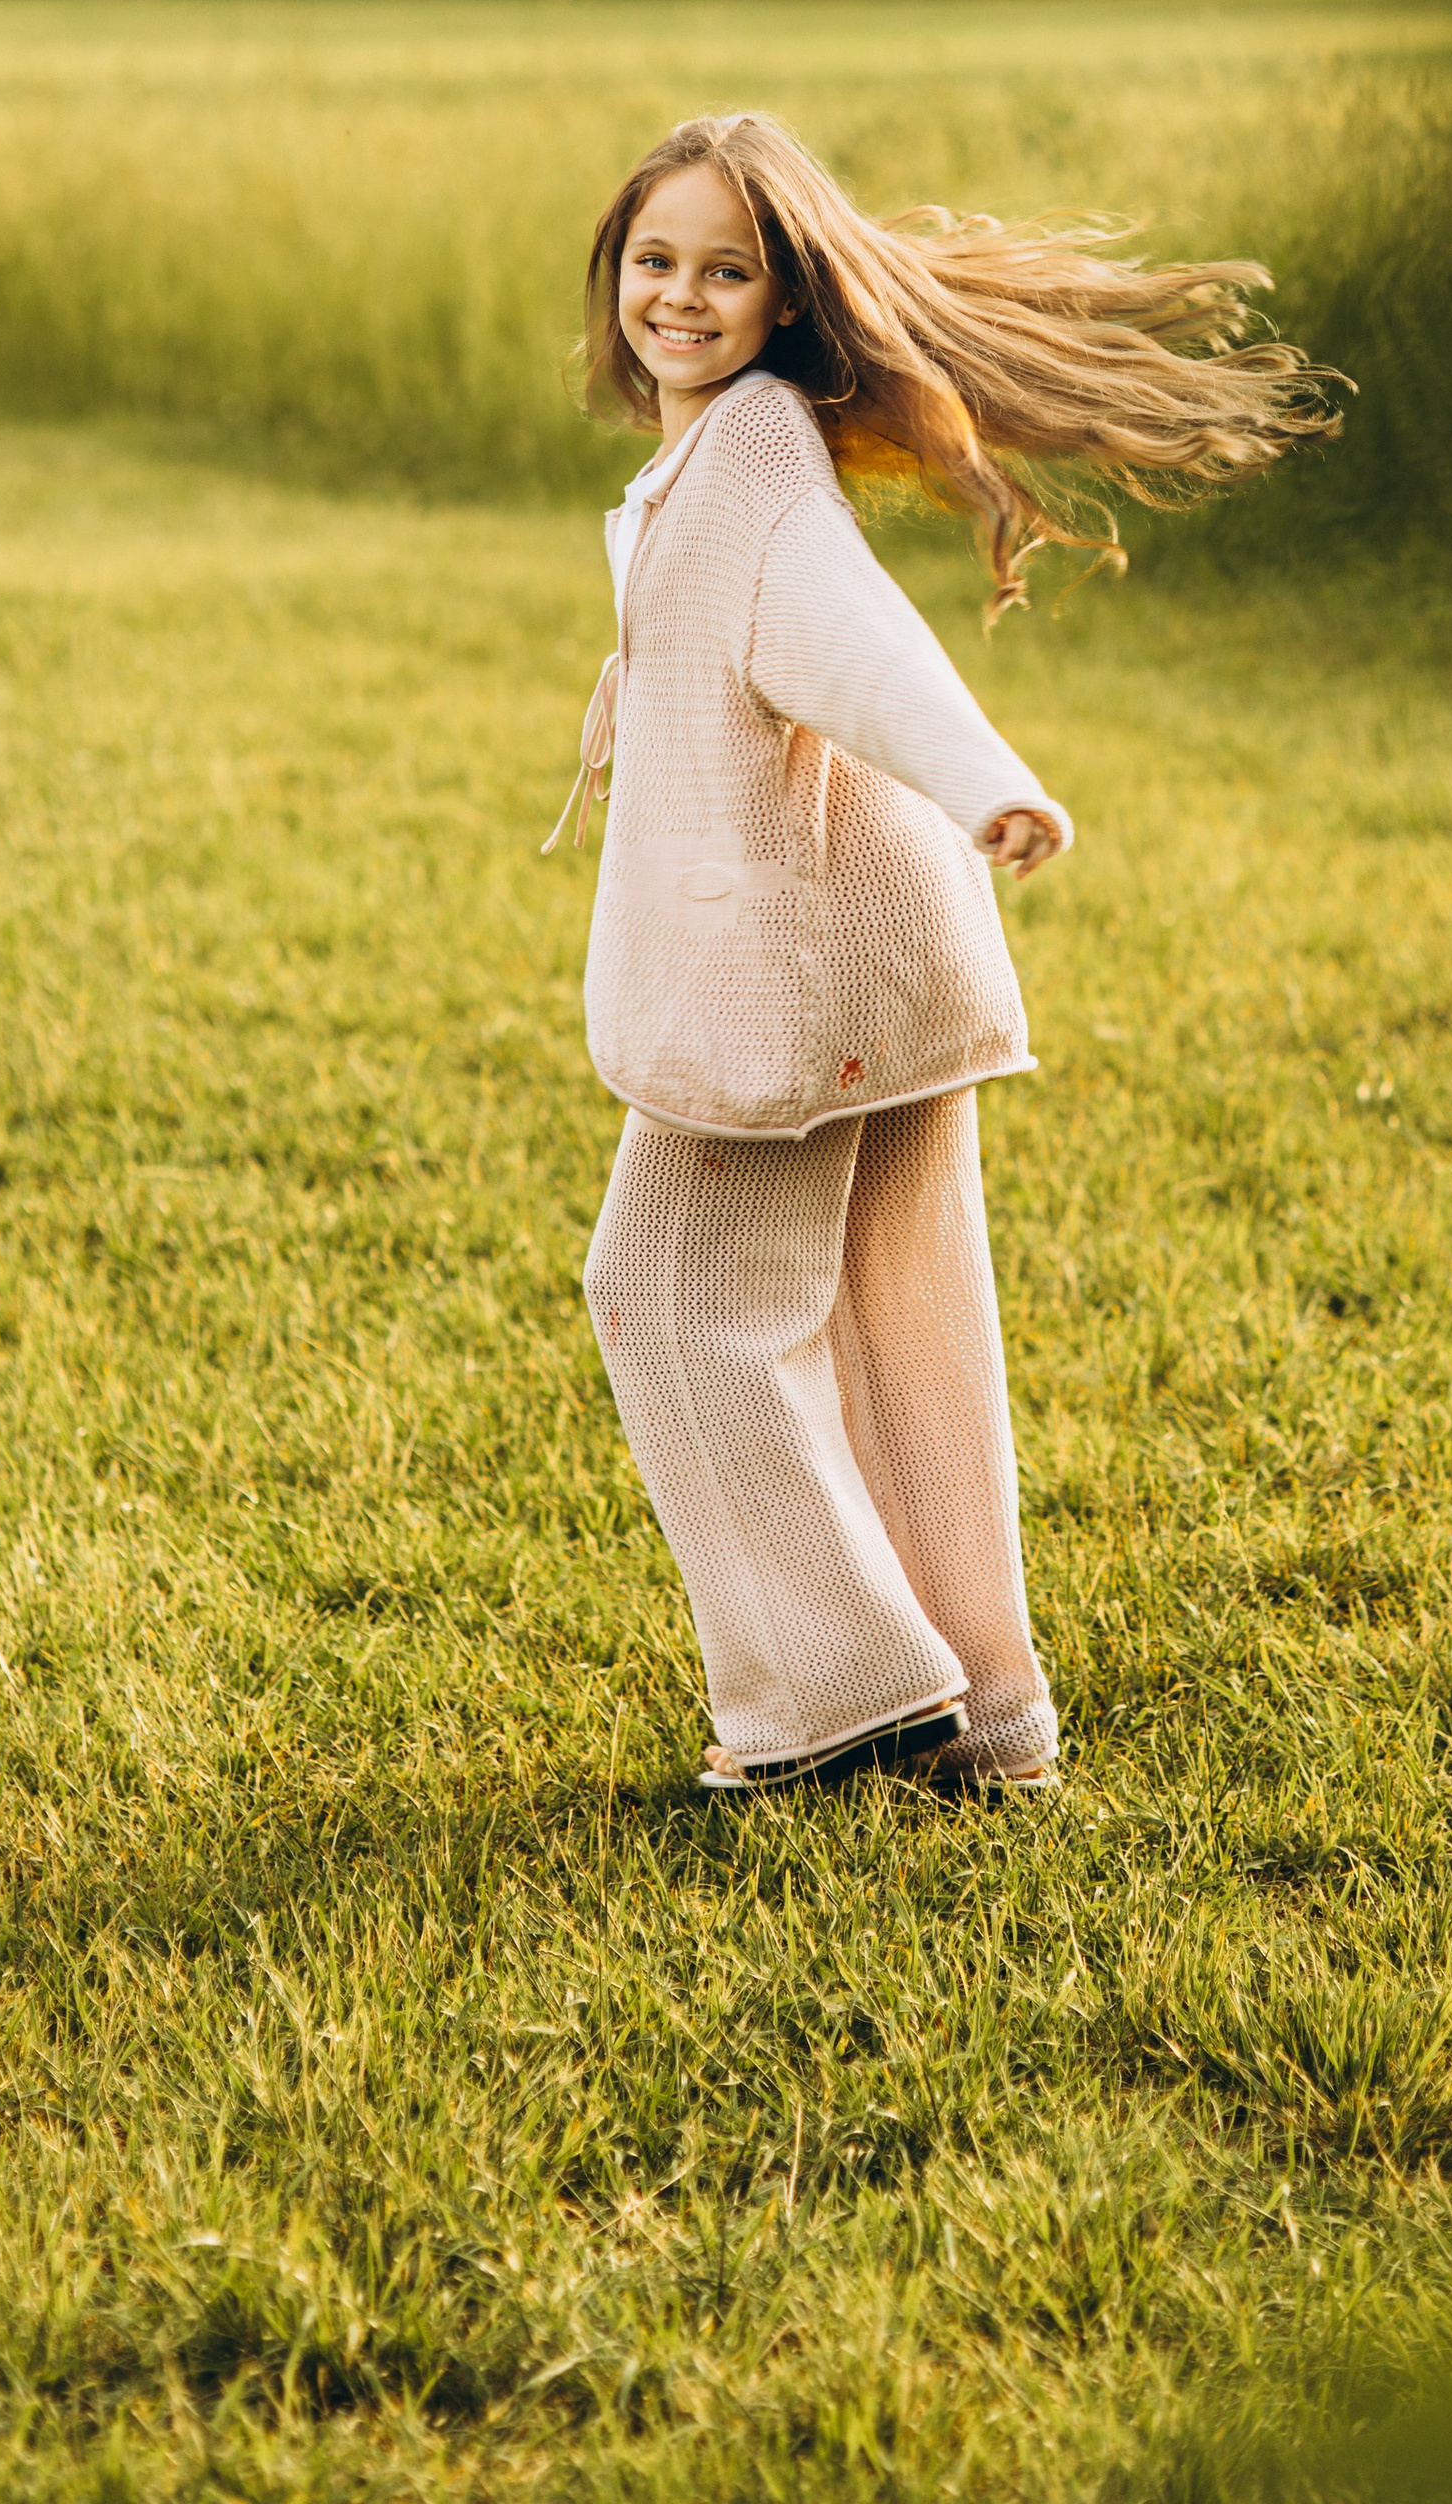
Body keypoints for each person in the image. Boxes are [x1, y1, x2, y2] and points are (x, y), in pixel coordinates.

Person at [548, 110, 1335, 1797]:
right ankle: (987, 1721)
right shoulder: (711, 460)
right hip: (887, 949)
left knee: (667, 1292)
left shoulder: (753, 463)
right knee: (901, 1325)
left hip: (815, 964)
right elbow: (732, 630)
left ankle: (843, 1698)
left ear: (782, 301)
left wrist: (988, 777)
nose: (678, 296)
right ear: (616, 273)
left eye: (723, 269)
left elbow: (849, 638)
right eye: (654, 261)